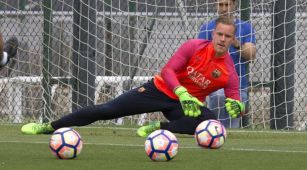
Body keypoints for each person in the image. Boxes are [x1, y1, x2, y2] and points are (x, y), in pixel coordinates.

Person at [21, 16, 244, 137]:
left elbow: (234, 97)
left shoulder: (228, 71)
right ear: (213, 34)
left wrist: (238, 107)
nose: (223, 39)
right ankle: (49, 126)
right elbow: (167, 71)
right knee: (106, 110)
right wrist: (182, 92)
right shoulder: (194, 46)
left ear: (233, 40)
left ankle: (160, 129)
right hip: (158, 90)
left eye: (228, 36)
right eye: (219, 34)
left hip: (184, 106)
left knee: (212, 122)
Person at [198, 0, 256, 128]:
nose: (224, 8)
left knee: (233, 105)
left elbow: (251, 56)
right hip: (214, 85)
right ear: (216, 6)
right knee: (218, 96)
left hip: (238, 87)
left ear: (234, 5)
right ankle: (214, 129)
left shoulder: (245, 27)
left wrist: (236, 43)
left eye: (227, 5)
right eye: (220, 5)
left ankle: (228, 133)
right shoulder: (207, 28)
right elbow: (198, 57)